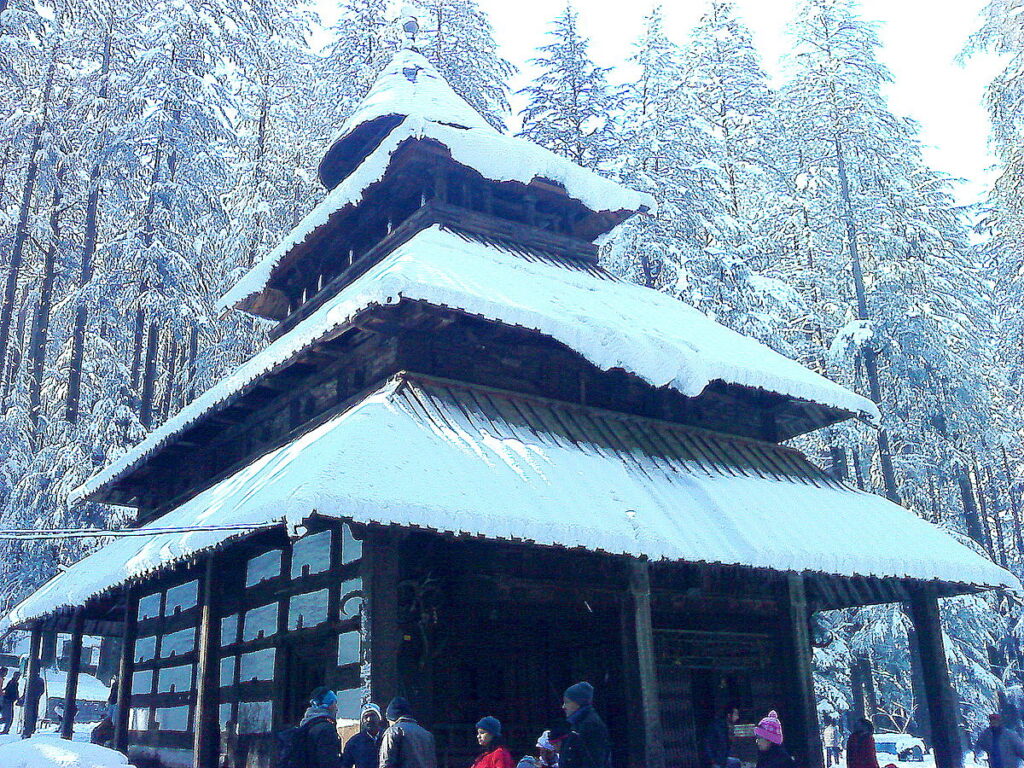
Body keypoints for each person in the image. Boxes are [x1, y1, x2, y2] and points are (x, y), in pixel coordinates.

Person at [559, 682, 610, 768]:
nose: (563, 706)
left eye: (567, 702)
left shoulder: (591, 725)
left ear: (578, 702)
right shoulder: (579, 723)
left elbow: (593, 761)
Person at [379, 696, 438, 768]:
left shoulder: (393, 731)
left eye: (388, 721)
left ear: (392, 718)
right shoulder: (427, 735)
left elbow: (386, 763)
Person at [293, 686, 344, 768]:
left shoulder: (307, 725)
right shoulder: (325, 729)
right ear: (327, 705)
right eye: (334, 703)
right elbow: (328, 762)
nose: (336, 708)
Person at [343, 703, 384, 768]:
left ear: (379, 718)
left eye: (372, 715)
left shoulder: (387, 737)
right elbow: (345, 764)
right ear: (362, 721)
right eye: (366, 716)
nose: (369, 719)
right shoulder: (354, 742)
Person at [705, 703, 742, 768]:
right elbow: (709, 744)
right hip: (720, 761)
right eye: (735, 715)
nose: (737, 717)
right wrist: (714, 761)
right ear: (729, 715)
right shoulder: (718, 727)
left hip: (726, 760)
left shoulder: (729, 727)